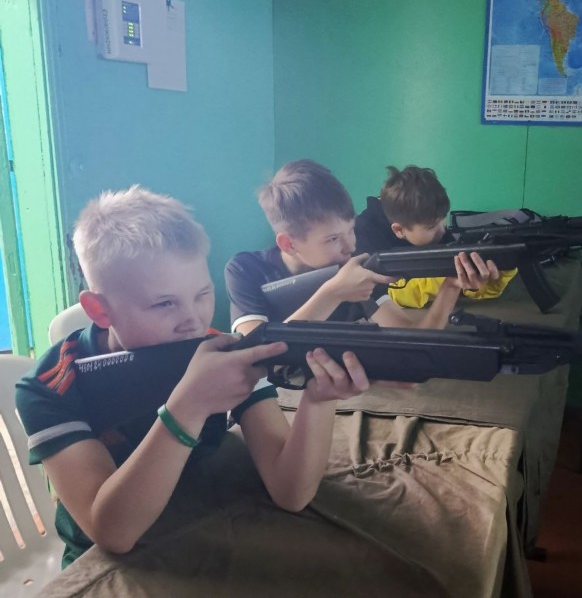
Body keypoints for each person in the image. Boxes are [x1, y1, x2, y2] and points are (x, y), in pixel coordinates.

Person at [15, 186, 371, 567]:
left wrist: (319, 401)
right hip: (108, 566)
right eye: (164, 303)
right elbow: (113, 533)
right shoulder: (50, 386)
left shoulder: (216, 351)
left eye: (203, 294)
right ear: (100, 311)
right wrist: (188, 407)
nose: (194, 320)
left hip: (205, 522)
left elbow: (290, 492)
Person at [225, 159, 500, 335]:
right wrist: (332, 293)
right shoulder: (245, 270)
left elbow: (416, 338)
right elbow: (255, 352)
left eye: (351, 230)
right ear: (289, 243)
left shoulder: (351, 270)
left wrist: (451, 286)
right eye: (333, 239)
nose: (351, 246)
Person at [354, 165, 518, 308]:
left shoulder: (433, 230)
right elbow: (375, 294)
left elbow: (466, 284)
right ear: (399, 230)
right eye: (431, 226)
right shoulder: (363, 238)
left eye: (442, 219)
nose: (442, 230)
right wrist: (444, 281)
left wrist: (480, 280)